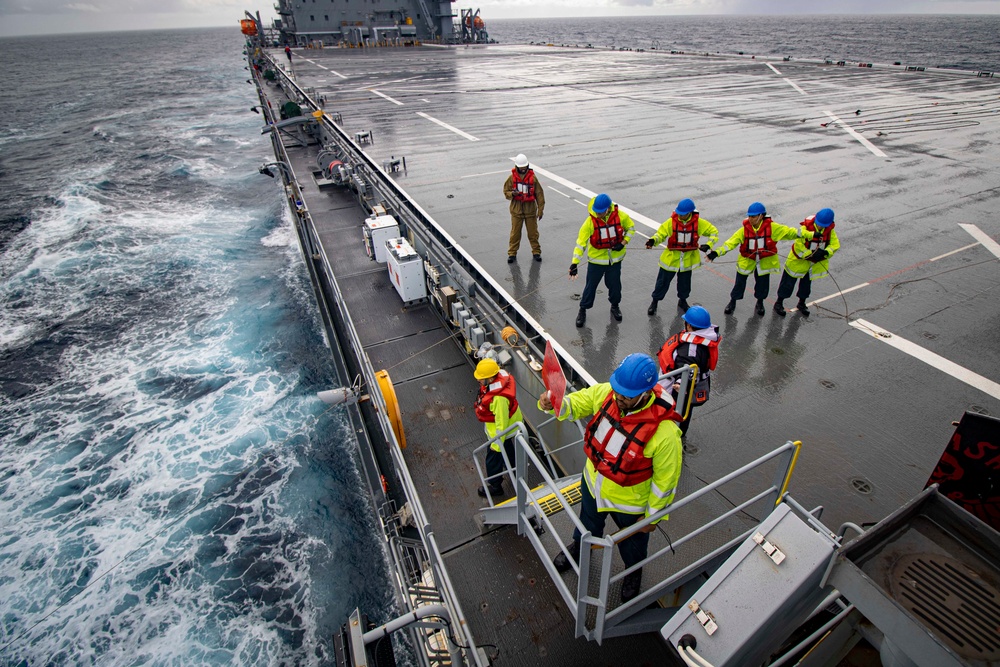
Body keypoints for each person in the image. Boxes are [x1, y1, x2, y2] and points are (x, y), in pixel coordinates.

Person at [539, 354, 683, 602]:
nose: (618, 398)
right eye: (618, 391)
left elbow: (666, 480)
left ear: (646, 393)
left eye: (626, 395)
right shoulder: (608, 393)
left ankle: (633, 572)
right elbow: (578, 403)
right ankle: (579, 548)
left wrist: (653, 516)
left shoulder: (666, 434)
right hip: (593, 484)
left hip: (630, 503)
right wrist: (553, 402)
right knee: (587, 523)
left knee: (634, 544)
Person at [707, 202, 801, 316]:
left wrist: (808, 235)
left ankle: (760, 303)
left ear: (761, 216)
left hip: (764, 262)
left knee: (762, 284)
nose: (750, 219)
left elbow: (790, 232)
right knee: (739, 283)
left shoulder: (773, 228)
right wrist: (716, 253)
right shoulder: (744, 230)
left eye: (753, 216)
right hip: (746, 261)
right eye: (749, 216)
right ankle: (733, 301)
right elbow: (730, 243)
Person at [570, 194, 635, 327]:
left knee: (615, 286)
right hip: (596, 262)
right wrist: (575, 262)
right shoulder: (589, 222)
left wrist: (623, 242)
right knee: (590, 287)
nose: (598, 214)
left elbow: (631, 229)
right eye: (596, 212)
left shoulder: (621, 216)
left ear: (608, 209)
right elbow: (580, 243)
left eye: (600, 212)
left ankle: (615, 306)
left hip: (615, 261)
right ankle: (583, 310)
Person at [645, 198, 718, 314]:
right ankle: (655, 302)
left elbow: (714, 232)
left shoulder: (699, 223)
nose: (680, 216)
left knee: (684, 284)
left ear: (690, 213)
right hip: (670, 260)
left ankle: (682, 301)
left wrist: (708, 245)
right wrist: (653, 241)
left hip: (687, 261)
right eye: (679, 213)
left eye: (683, 214)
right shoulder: (671, 222)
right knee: (662, 283)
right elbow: (660, 234)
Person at [657, 306, 720, 438]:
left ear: (690, 326)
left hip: (679, 390)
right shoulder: (704, 338)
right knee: (685, 412)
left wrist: (681, 384)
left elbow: (688, 369)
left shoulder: (691, 349)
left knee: (678, 414)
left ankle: (675, 438)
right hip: (689, 387)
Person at [773, 208, 840, 317]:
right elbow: (799, 245)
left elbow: (835, 245)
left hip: (812, 265)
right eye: (819, 224)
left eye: (823, 226)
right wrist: (809, 254)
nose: (820, 227)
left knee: (806, 286)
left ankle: (801, 303)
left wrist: (825, 253)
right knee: (787, 284)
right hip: (797, 263)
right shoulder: (805, 228)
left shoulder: (830, 231)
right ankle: (779, 302)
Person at [473, 359, 523, 498]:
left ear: (489, 378)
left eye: (481, 378)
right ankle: (515, 470)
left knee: (493, 460)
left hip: (500, 434)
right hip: (510, 428)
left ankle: (495, 486)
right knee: (508, 450)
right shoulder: (498, 377)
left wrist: (496, 444)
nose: (478, 381)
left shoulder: (499, 399)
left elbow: (502, 423)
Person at [502, 154, 545, 264]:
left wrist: (540, 209)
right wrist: (512, 194)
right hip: (516, 211)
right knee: (515, 233)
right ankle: (512, 253)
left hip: (530, 211)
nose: (523, 169)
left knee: (533, 233)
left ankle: (536, 252)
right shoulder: (511, 178)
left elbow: (539, 194)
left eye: (524, 167)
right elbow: (506, 191)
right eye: (521, 167)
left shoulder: (533, 178)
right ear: (517, 167)